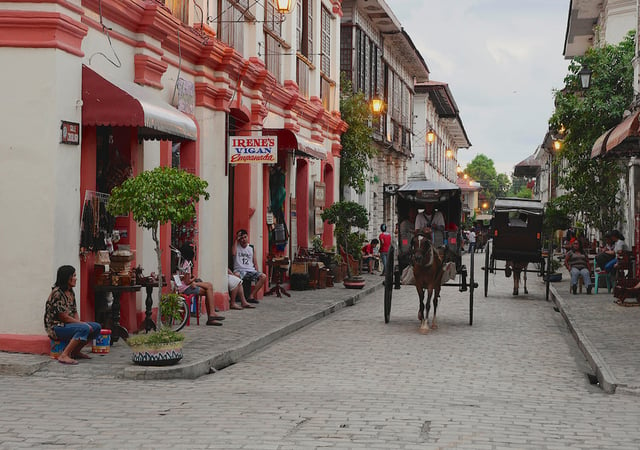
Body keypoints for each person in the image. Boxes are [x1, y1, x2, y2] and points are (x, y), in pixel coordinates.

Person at [44, 265, 102, 365]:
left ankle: (75, 352)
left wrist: (81, 324)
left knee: (96, 327)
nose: (76, 278)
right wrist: (82, 325)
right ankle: (64, 355)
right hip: (56, 327)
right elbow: (64, 317)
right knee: (84, 328)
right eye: (74, 276)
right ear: (67, 277)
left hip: (68, 325)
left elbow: (74, 311)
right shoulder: (57, 293)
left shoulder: (70, 292)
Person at [179, 243, 225, 326]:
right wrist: (193, 279)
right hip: (186, 288)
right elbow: (186, 281)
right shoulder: (187, 264)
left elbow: (182, 278)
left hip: (183, 286)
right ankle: (211, 314)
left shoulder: (182, 262)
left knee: (208, 289)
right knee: (209, 286)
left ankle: (211, 316)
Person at [232, 229, 267, 304]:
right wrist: (236, 240)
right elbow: (233, 253)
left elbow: (255, 262)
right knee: (236, 276)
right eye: (241, 238)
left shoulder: (251, 247)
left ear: (247, 237)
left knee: (263, 276)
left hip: (250, 270)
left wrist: (257, 271)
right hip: (239, 270)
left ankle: (251, 296)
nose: (244, 240)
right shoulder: (236, 246)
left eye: (245, 237)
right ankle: (242, 298)